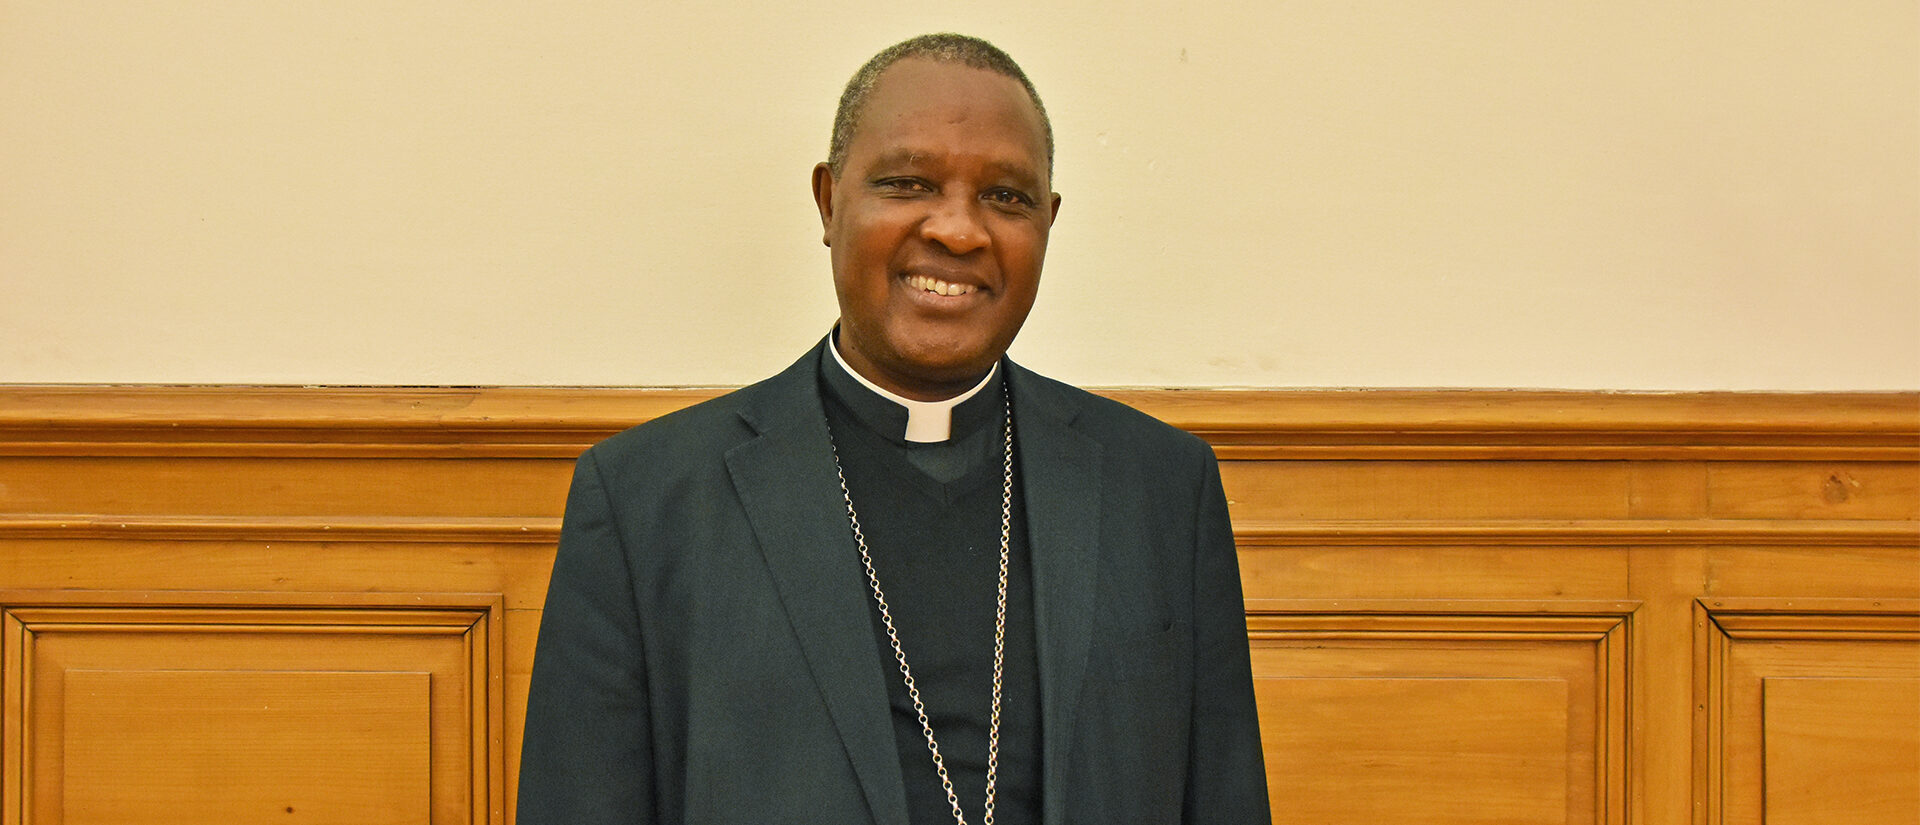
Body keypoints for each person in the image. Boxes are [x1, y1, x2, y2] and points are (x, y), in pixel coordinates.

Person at [517, 33, 1270, 825]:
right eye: (909, 183)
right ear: (829, 200)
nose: (957, 230)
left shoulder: (1160, 486)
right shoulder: (647, 501)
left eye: (1005, 196)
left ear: (1048, 222)